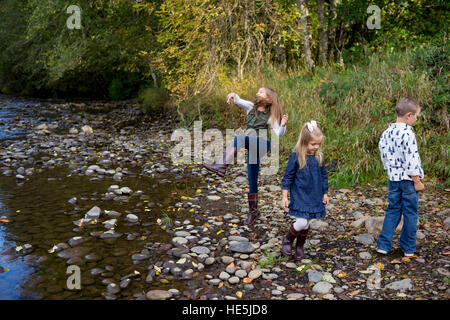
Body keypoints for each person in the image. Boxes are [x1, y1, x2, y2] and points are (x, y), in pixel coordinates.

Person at [203, 86, 288, 225]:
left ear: (268, 99)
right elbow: (239, 100)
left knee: (240, 138)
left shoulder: (270, 115)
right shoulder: (251, 107)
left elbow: (278, 133)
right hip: (251, 144)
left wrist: (283, 125)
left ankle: (221, 165)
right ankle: (254, 212)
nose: (257, 93)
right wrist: (232, 94)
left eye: (261, 92)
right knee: (252, 177)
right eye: (258, 91)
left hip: (262, 144)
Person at [377, 97, 424, 257]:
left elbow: (383, 154)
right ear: (409, 115)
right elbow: (411, 159)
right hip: (409, 180)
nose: (416, 119)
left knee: (393, 210)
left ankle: (383, 245)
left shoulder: (386, 133)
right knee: (410, 212)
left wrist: (390, 170)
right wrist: (417, 180)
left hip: (393, 179)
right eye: (416, 116)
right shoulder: (408, 134)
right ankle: (408, 247)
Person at [280, 121, 329, 260]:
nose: (316, 147)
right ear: (304, 142)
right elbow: (288, 177)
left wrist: (325, 193)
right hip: (300, 195)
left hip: (314, 195)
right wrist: (285, 196)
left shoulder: (319, 157)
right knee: (301, 222)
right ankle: (288, 240)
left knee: (307, 222)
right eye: (313, 144)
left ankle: (300, 245)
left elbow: (324, 176)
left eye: (318, 144)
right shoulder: (296, 156)